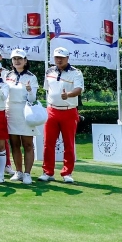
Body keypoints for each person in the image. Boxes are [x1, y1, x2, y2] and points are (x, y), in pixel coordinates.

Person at [40, 46, 84, 184]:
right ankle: (48, 172)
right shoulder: (49, 71)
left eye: (62, 58)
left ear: (67, 58)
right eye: (57, 57)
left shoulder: (76, 72)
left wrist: (68, 95)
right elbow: (48, 90)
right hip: (51, 110)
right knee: (48, 143)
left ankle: (67, 173)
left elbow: (79, 89)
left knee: (69, 144)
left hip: (69, 111)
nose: (59, 60)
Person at [5, 48, 38, 184]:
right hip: (11, 111)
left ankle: (27, 173)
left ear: (25, 61)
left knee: (28, 144)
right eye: (15, 59)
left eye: (20, 58)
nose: (17, 61)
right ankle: (18, 172)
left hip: (25, 111)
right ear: (12, 61)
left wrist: (29, 90)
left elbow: (33, 98)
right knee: (14, 144)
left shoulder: (31, 77)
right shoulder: (7, 76)